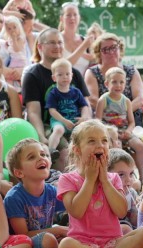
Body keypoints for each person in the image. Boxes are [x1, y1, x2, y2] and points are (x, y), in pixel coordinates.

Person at [57, 119, 143, 248]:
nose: (100, 145)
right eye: (91, 141)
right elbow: (76, 212)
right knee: (65, 245)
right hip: (83, 247)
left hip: (113, 245)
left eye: (104, 140)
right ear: (77, 150)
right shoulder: (67, 179)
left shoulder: (113, 178)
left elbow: (121, 212)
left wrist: (104, 180)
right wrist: (89, 180)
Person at [22, 28, 90, 172]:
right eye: (52, 43)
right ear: (40, 47)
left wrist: (85, 120)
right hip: (49, 125)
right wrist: (41, 137)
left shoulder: (73, 73)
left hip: (75, 123)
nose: (57, 46)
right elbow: (33, 112)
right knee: (65, 153)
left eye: (60, 42)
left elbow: (86, 105)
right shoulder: (33, 75)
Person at [4, 138, 68, 248]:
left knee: (69, 238)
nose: (41, 158)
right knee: (50, 239)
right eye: (32, 157)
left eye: (43, 154)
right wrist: (58, 230)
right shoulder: (14, 197)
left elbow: (72, 208)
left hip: (45, 240)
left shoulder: (51, 191)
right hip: (20, 245)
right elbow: (24, 234)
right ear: (19, 173)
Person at [96, 67, 143, 182]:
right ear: (106, 83)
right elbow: (98, 122)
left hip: (124, 131)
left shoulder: (126, 101)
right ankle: (113, 177)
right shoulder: (103, 100)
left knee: (140, 146)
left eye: (121, 82)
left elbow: (132, 122)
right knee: (116, 145)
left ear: (125, 84)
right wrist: (110, 134)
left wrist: (128, 131)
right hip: (109, 133)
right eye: (114, 82)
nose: (118, 85)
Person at [85, 33, 143, 126]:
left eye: (114, 47)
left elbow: (139, 99)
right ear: (98, 53)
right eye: (105, 49)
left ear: (120, 49)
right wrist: (112, 115)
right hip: (104, 119)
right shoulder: (92, 72)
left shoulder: (131, 71)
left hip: (131, 119)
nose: (111, 52)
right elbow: (93, 100)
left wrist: (121, 114)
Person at [46, 58, 90, 155]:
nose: (64, 77)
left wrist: (83, 118)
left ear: (72, 75)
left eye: (67, 74)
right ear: (54, 78)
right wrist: (64, 121)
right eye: (60, 75)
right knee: (58, 130)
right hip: (60, 120)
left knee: (85, 131)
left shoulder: (76, 92)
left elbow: (84, 107)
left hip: (74, 120)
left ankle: (84, 152)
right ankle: (50, 151)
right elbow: (52, 111)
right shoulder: (53, 93)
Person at [108, 148, 138, 234]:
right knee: (125, 229)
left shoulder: (131, 193)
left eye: (131, 174)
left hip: (129, 231)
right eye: (121, 175)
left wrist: (139, 210)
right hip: (109, 232)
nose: (128, 180)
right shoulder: (104, 195)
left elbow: (135, 222)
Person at [58, 2, 94, 76]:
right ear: (61, 18)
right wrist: (83, 47)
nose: (72, 18)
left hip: (83, 86)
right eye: (68, 15)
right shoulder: (56, 40)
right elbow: (61, 67)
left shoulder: (85, 41)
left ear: (79, 17)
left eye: (75, 14)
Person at [2, 15, 28, 91]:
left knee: (15, 76)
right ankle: (13, 90)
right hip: (13, 61)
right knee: (9, 78)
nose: (12, 30)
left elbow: (17, 49)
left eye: (14, 27)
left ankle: (18, 90)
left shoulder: (20, 38)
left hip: (19, 61)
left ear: (19, 27)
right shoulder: (9, 39)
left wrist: (14, 39)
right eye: (9, 29)